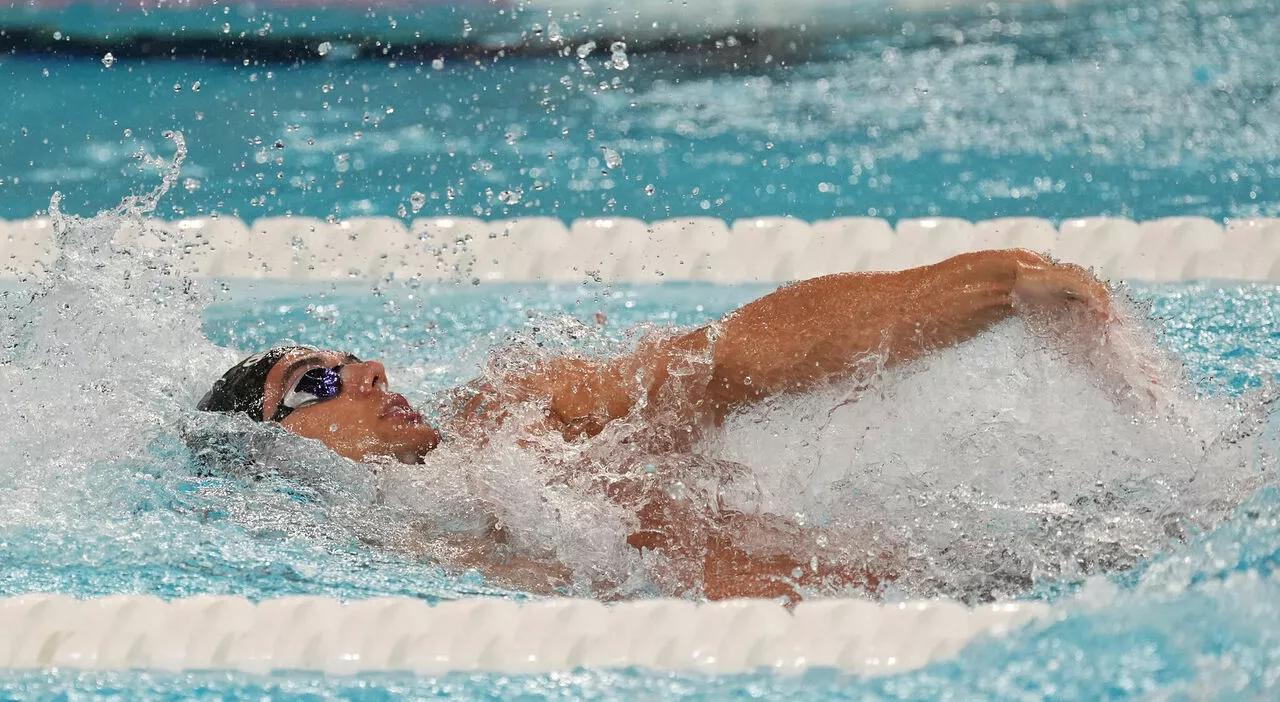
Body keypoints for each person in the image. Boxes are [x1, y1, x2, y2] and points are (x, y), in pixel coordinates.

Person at [198, 249, 1136, 602]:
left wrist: (992, 286)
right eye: (318, 378)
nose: (366, 371)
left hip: (970, 589)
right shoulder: (358, 562)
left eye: (352, 358)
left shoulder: (519, 418)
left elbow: (724, 364)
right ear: (273, 442)